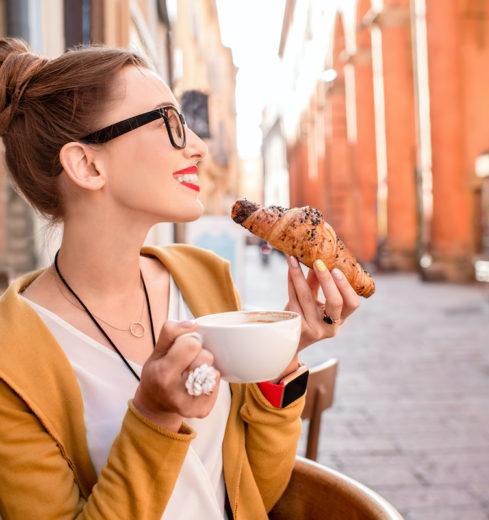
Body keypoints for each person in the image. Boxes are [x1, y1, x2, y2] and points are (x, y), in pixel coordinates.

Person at [0, 37, 360, 519]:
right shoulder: (11, 362)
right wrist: (153, 416)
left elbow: (254, 491)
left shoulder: (203, 279)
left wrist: (282, 354)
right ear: (87, 165)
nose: (198, 146)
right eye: (170, 122)